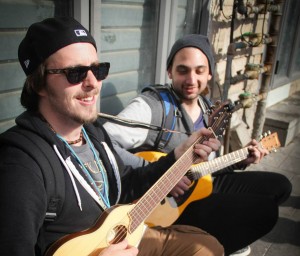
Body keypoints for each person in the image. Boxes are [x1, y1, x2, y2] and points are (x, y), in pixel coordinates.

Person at [0, 18, 225, 256]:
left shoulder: (92, 132)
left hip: (117, 238)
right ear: (39, 84)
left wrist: (177, 157)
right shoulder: (21, 166)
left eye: (98, 70)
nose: (93, 83)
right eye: (75, 73)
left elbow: (125, 185)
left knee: (207, 248)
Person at [103, 34, 292, 256]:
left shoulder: (208, 109)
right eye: (183, 70)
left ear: (210, 73)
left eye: (200, 70)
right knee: (264, 212)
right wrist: (159, 176)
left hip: (199, 184)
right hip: (165, 207)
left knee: (280, 186)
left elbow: (204, 168)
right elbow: (103, 143)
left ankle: (217, 240)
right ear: (169, 72)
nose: (191, 79)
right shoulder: (152, 106)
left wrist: (241, 159)